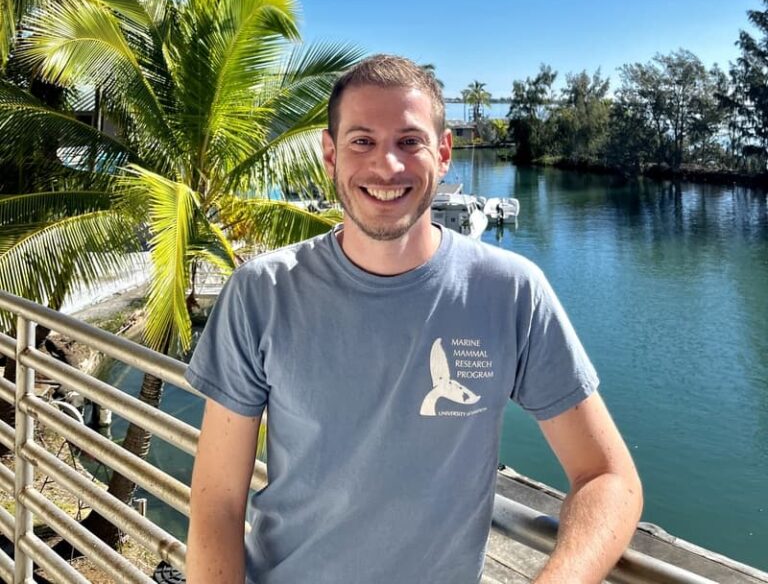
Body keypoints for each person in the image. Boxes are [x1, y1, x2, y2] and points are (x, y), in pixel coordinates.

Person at [185, 55, 642, 584]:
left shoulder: (511, 292)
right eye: (362, 141)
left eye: (409, 141)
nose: (388, 166)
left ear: (443, 153)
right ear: (329, 154)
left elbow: (608, 477)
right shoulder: (262, 292)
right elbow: (218, 500)